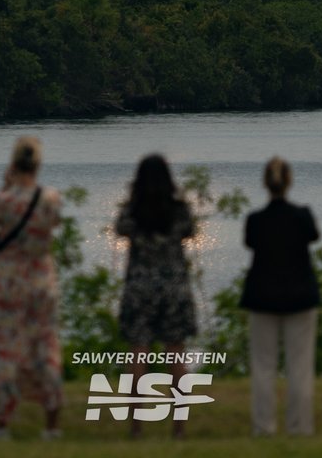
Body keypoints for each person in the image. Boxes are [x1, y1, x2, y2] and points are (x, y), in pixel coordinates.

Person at [0, 136, 63, 441]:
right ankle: (51, 425)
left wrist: (6, 185)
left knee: (4, 351)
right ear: (38, 164)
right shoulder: (51, 198)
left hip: (8, 282)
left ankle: (2, 424)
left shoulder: (4, 199)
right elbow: (52, 225)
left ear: (13, 164)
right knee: (45, 348)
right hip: (41, 281)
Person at [115, 154, 197, 439]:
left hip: (140, 288)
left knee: (138, 354)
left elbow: (120, 229)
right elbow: (189, 230)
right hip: (173, 287)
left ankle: (136, 427)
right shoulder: (178, 210)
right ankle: (179, 428)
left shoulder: (133, 211)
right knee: (176, 354)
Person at [239, 157, 320, 437]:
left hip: (262, 296)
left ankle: (263, 427)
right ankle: (300, 428)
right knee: (300, 366)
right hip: (300, 296)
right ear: (289, 182)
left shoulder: (255, 220)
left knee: (263, 366)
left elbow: (250, 243)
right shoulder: (303, 216)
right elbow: (313, 236)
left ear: (265, 183)